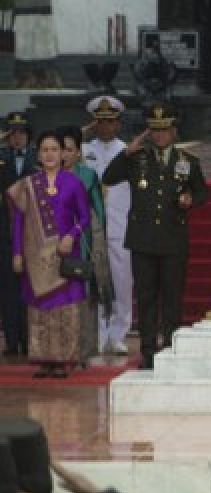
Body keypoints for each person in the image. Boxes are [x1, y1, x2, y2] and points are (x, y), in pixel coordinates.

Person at [101, 103, 208, 371]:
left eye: (164, 130)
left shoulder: (187, 161)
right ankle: (148, 352)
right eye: (154, 131)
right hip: (143, 240)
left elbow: (203, 192)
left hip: (173, 240)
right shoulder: (137, 159)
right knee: (147, 298)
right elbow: (108, 177)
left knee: (172, 297)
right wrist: (125, 153)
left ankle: (170, 349)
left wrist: (190, 199)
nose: (159, 136)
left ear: (174, 131)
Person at [6, 130, 92, 378]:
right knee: (40, 307)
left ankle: (63, 360)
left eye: (55, 149)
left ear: (63, 154)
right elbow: (19, 223)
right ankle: (44, 360)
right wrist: (17, 254)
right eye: (45, 150)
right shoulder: (29, 184)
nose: (50, 154)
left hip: (64, 254)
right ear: (38, 154)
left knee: (64, 306)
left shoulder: (73, 182)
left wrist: (70, 236)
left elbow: (84, 218)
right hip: (36, 258)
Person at [82, 96, 134, 357]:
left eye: (110, 122)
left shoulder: (128, 151)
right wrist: (83, 133)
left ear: (118, 124)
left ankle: (119, 333)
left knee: (122, 281)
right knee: (96, 282)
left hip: (120, 225)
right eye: (100, 122)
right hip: (92, 226)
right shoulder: (84, 150)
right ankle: (100, 333)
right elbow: (61, 145)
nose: (105, 127)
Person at [59, 125, 112, 362]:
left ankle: (86, 349)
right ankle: (58, 350)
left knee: (84, 295)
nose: (63, 154)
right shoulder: (45, 176)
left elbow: (99, 212)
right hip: (53, 245)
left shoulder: (88, 176)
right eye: (60, 149)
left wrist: (98, 248)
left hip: (82, 242)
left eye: (69, 149)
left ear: (78, 152)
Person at [1, 112, 36, 358]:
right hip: (4, 230)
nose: (17, 137)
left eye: (21, 132)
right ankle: (12, 340)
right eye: (12, 133)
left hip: (33, 231)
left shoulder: (39, 158)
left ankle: (31, 340)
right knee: (8, 288)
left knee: (32, 286)